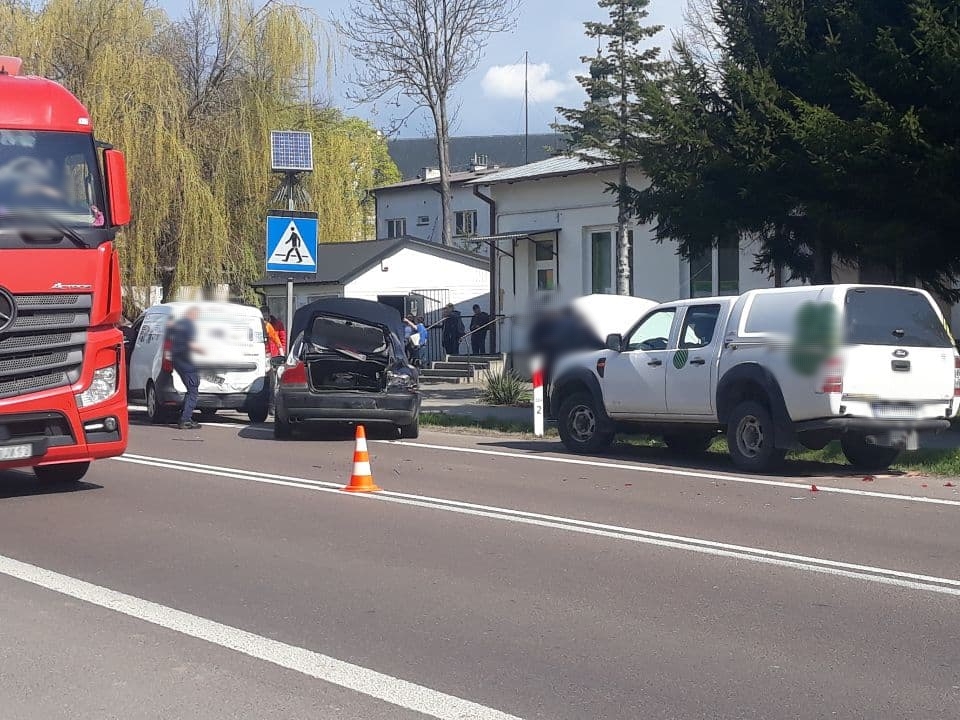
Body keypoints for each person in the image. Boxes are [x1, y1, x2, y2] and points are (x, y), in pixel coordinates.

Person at [168, 306, 204, 430]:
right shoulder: (189, 325)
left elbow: (170, 333)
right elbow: (190, 343)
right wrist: (203, 351)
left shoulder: (179, 323)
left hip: (177, 360)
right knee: (193, 390)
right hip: (186, 362)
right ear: (193, 314)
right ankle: (185, 420)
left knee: (190, 389)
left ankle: (184, 416)